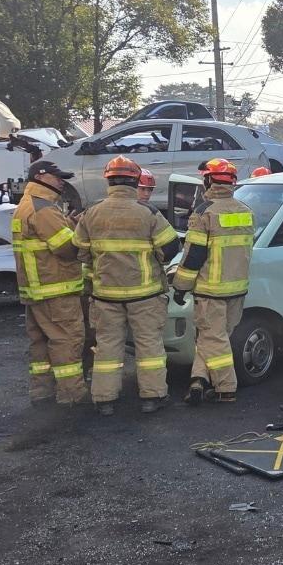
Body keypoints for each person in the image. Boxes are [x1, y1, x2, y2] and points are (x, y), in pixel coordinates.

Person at [74, 155, 182, 416]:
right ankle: (152, 398)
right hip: (145, 295)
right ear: (135, 181)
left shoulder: (91, 213)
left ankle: (104, 400)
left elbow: (80, 251)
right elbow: (170, 248)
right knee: (149, 346)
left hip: (105, 295)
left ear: (108, 180)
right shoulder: (148, 213)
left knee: (107, 347)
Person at [171, 158, 254, 405]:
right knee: (215, 338)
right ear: (232, 183)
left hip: (211, 290)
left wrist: (180, 286)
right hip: (237, 289)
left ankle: (226, 387)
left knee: (213, 338)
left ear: (208, 180)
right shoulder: (246, 211)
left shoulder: (203, 212)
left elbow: (194, 255)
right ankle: (198, 380)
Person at [13, 160, 89, 409]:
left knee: (41, 345)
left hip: (35, 291)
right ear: (41, 176)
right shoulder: (44, 208)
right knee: (67, 341)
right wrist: (77, 228)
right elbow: (66, 248)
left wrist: (66, 222)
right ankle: (71, 395)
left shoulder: (26, 206)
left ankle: (42, 392)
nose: (61, 182)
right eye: (57, 178)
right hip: (56, 290)